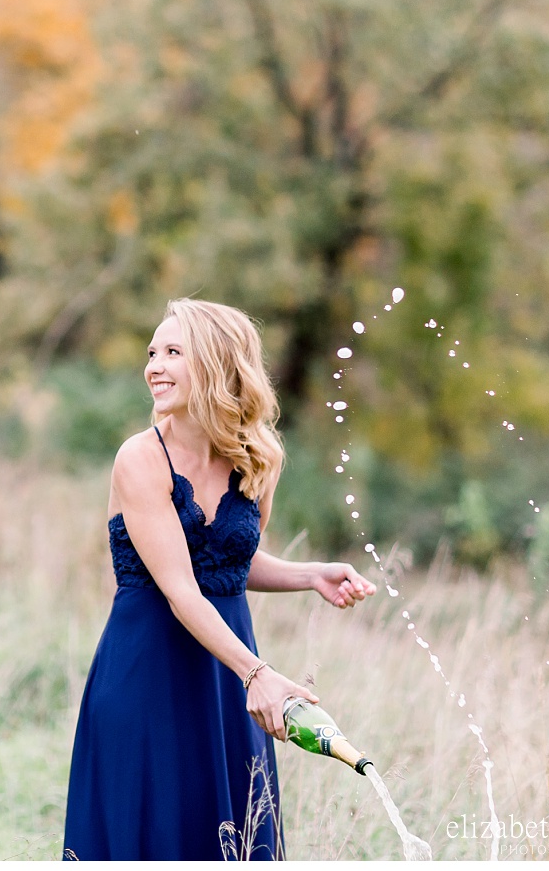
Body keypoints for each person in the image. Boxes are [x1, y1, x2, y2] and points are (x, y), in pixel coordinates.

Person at [62, 298, 377, 861]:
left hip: (228, 677)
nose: (154, 365)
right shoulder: (140, 459)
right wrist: (258, 674)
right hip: (148, 673)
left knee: (230, 832)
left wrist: (310, 575)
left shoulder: (258, 458)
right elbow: (180, 587)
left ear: (216, 363)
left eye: (173, 352)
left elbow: (227, 563)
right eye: (152, 352)